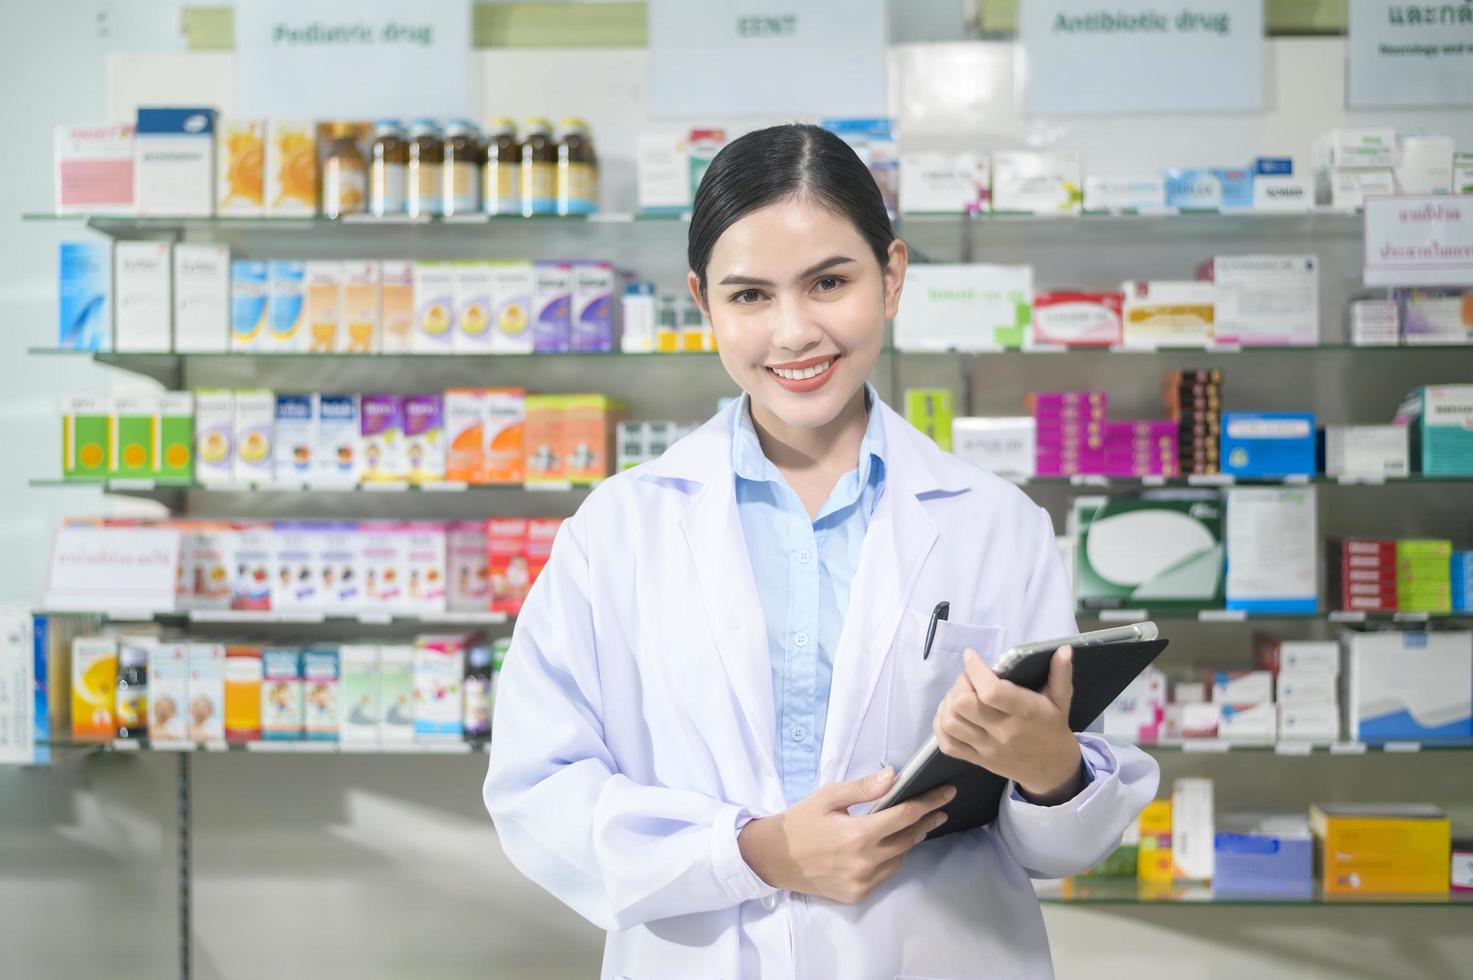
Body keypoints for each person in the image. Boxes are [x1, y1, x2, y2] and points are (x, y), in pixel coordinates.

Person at [484, 123, 1158, 979]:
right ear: (702, 303)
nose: (793, 332)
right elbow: (536, 792)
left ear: (893, 276)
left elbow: (1064, 840)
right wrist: (756, 853)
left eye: (828, 282)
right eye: (750, 296)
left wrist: (1050, 770)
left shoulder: (996, 522)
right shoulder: (618, 530)